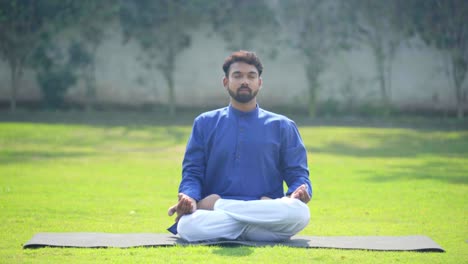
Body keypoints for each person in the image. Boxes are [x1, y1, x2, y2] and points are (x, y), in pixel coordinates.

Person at [167, 50, 312, 242]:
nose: (245, 81)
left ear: (259, 83)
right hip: (262, 219)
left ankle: (219, 205)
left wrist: (299, 191)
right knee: (187, 226)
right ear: (226, 82)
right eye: (238, 75)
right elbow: (192, 172)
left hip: (255, 211)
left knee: (300, 212)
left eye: (251, 76)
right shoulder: (205, 123)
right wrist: (189, 197)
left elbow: (298, 174)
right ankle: (250, 230)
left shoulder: (283, 126)